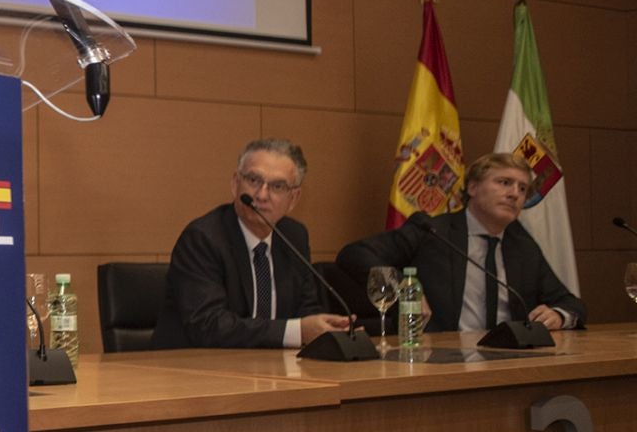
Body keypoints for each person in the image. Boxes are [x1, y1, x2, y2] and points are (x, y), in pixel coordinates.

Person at [337, 151, 584, 333]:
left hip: (509, 359)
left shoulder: (521, 244)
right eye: (504, 183)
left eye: (522, 189)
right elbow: (355, 254)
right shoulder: (433, 231)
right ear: (473, 187)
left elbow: (570, 303)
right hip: (441, 356)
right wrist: (405, 289)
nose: (514, 194)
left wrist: (559, 316)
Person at [150, 138, 351, 349]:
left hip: (269, 369)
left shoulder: (294, 236)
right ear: (235, 183)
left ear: (294, 199)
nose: (262, 195)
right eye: (254, 180)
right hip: (193, 370)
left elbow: (305, 309)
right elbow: (209, 325)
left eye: (277, 186)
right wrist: (296, 331)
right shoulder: (203, 238)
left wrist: (328, 329)